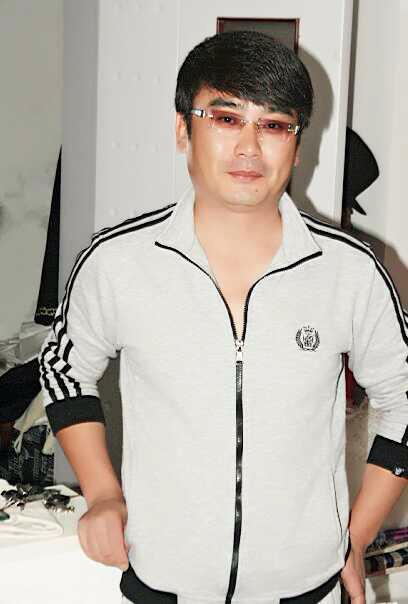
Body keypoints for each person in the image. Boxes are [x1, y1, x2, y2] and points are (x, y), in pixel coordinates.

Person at [39, 31, 408, 604]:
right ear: (182, 129)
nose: (249, 148)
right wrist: (103, 492)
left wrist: (356, 539)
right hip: (163, 584)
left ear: (297, 145)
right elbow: (65, 371)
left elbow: (404, 399)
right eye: (227, 118)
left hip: (307, 589)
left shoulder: (350, 271)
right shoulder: (117, 262)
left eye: (274, 126)